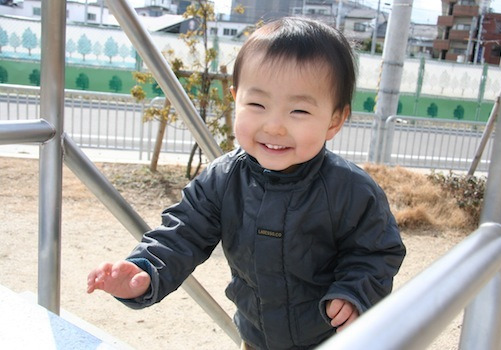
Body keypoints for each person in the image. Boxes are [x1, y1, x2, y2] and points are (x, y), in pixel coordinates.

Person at [87, 17, 406, 349]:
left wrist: (355, 293)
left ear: (335, 120)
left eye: (298, 111)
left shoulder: (351, 190)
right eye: (257, 105)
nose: (275, 126)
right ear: (235, 98)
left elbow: (376, 252)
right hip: (255, 339)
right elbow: (182, 234)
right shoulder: (223, 180)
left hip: (329, 339)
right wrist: (145, 270)